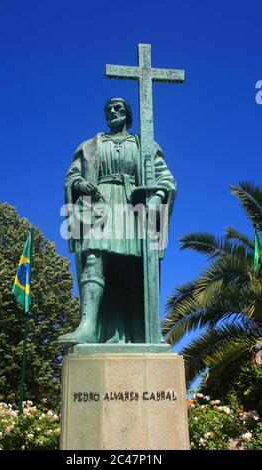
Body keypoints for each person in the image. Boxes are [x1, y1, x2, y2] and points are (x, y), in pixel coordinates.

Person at [58, 97, 176, 344]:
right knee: (93, 257)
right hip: (98, 204)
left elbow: (166, 179)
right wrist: (79, 183)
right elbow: (72, 176)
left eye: (118, 108)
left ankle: (144, 330)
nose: (112, 112)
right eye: (108, 109)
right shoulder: (90, 145)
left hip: (133, 205)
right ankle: (88, 326)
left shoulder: (144, 144)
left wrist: (158, 195)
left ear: (128, 114)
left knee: (136, 268)